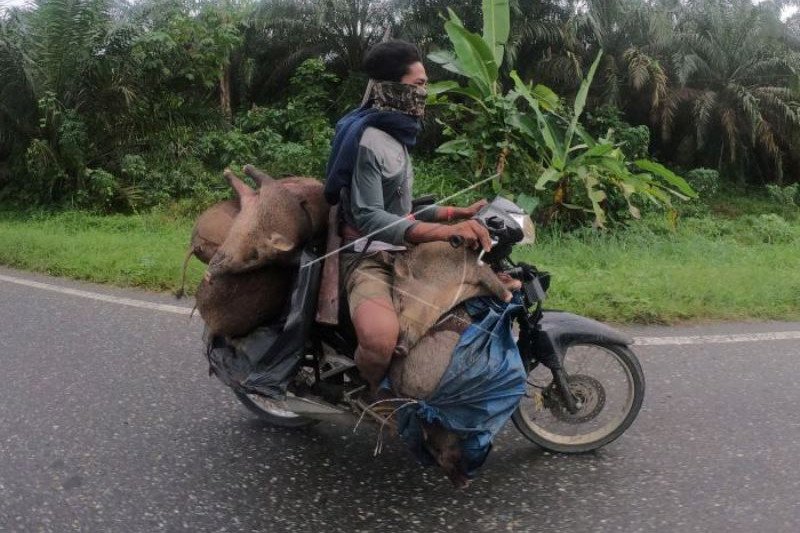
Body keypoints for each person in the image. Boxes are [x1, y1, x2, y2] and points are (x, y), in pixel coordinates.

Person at [325, 40, 493, 397]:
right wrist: (445, 232)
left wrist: (454, 213)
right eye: (418, 84)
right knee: (381, 340)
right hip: (367, 255)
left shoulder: (395, 134)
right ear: (392, 88)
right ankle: (372, 392)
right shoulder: (368, 139)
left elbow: (399, 210)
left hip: (399, 246)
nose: (425, 92)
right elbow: (371, 216)